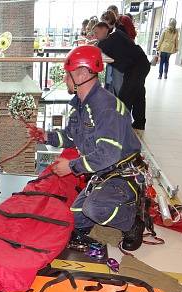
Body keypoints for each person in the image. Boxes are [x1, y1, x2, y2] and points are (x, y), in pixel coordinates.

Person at [28, 46, 145, 251]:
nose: (65, 79)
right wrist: (46, 136)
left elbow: (108, 154)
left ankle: (132, 221)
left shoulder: (106, 108)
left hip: (122, 176)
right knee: (76, 220)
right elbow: (71, 137)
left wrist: (72, 167)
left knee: (94, 209)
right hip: (102, 174)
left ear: (82, 73)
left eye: (67, 74)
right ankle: (107, 200)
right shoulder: (81, 106)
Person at [93, 22, 150, 131]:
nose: (95, 36)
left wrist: (95, 44)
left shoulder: (110, 40)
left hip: (136, 68)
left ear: (104, 29)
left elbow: (97, 49)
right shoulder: (117, 34)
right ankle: (139, 123)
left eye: (96, 32)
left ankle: (120, 126)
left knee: (125, 96)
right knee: (138, 95)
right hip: (140, 64)